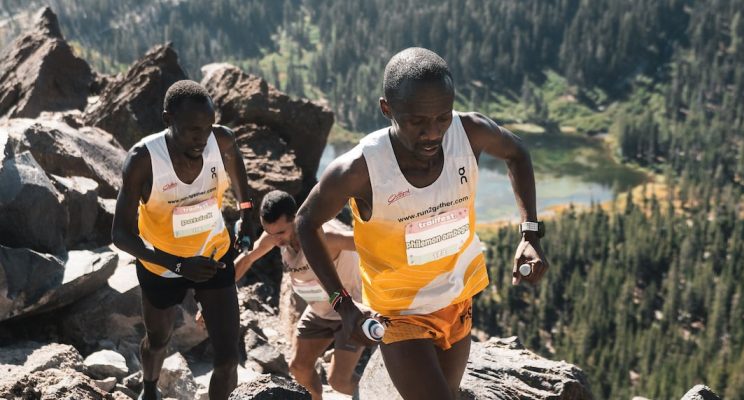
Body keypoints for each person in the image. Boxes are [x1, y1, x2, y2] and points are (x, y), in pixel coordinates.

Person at [295, 47, 549, 400]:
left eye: (442, 117)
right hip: (399, 315)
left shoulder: (469, 132)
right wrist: (343, 303)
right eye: (417, 121)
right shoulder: (360, 169)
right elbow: (306, 222)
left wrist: (531, 234)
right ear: (387, 109)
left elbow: (518, 153)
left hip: (458, 299)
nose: (433, 133)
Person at [112, 80, 255, 400]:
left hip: (214, 255)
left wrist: (247, 215)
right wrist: (177, 264)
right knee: (158, 341)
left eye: (207, 127)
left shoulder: (222, 140)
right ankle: (149, 388)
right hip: (162, 265)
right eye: (192, 129)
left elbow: (237, 168)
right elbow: (120, 235)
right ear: (167, 120)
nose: (202, 138)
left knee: (229, 357)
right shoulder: (144, 160)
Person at [202, 190, 365, 399]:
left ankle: (376, 390)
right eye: (269, 232)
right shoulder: (273, 237)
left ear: (295, 218)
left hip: (350, 308)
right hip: (320, 310)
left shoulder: (326, 236)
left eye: (280, 233)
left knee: (339, 381)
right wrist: (210, 301)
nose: (275, 239)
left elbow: (367, 243)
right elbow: (246, 260)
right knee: (298, 368)